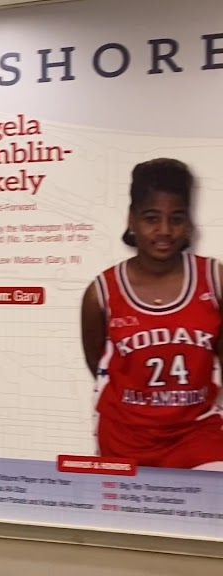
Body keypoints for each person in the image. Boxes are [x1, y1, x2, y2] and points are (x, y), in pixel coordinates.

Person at [80, 158, 223, 471]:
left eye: (177, 218)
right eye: (151, 218)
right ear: (132, 220)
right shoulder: (102, 293)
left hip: (196, 433)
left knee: (210, 512)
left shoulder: (214, 280)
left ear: (188, 222)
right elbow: (98, 364)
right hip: (125, 438)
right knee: (123, 520)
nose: (164, 231)